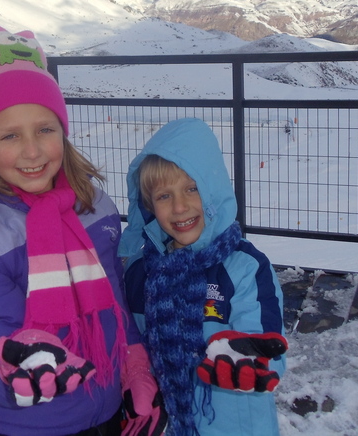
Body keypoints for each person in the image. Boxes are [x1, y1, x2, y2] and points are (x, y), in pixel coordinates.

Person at [0, 21, 166, 436]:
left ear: (63, 132)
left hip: (104, 407)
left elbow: (113, 299)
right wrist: (13, 369)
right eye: (10, 135)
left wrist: (134, 367)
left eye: (45, 129)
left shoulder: (94, 206)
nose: (32, 150)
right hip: (25, 423)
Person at [119, 118, 288, 436]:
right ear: (149, 205)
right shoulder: (141, 272)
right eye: (164, 196)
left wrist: (248, 358)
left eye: (191, 189)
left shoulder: (244, 268)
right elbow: (133, 341)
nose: (180, 207)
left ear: (214, 190)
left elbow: (267, 341)